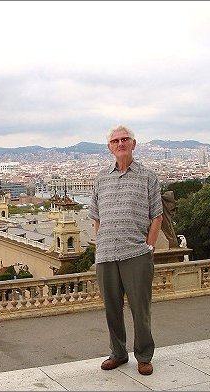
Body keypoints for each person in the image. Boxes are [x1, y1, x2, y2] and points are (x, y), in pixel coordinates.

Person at [89, 125, 163, 376]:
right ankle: (118, 353)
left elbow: (157, 216)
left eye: (124, 139)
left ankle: (144, 355)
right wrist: (101, 244)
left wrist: (149, 246)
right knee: (112, 308)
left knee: (140, 308)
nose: (120, 143)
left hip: (137, 254)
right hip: (106, 254)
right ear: (109, 147)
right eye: (115, 140)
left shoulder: (148, 176)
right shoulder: (100, 178)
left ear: (134, 143)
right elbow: (96, 218)